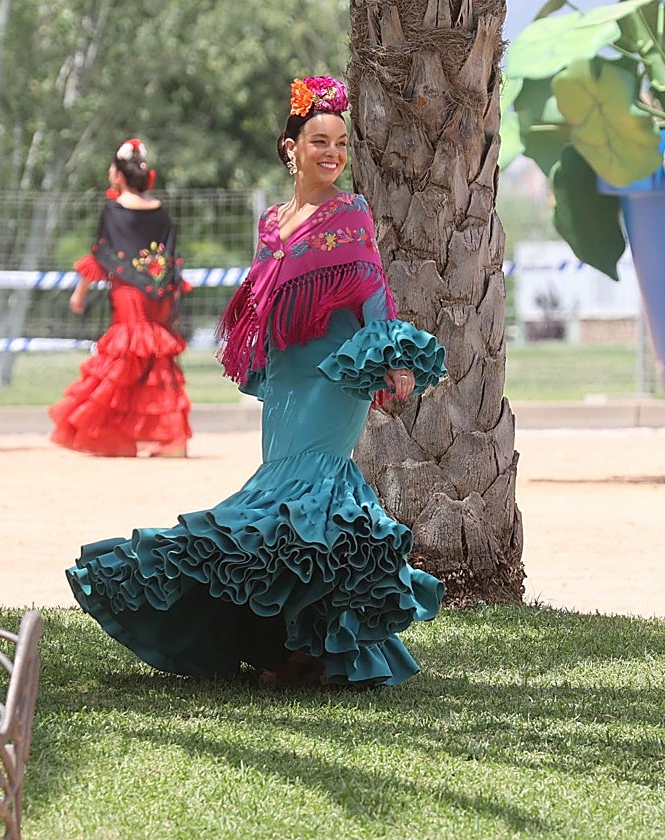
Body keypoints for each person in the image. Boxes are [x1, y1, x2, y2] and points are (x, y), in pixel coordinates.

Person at [66, 75, 447, 688]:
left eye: (341, 144)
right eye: (320, 142)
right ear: (291, 148)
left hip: (336, 371)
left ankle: (315, 646)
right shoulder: (273, 222)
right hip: (288, 375)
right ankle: (288, 644)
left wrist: (393, 356)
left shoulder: (351, 212)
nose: (333, 153)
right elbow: (263, 298)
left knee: (316, 491)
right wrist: (261, 354)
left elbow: (373, 287)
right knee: (281, 499)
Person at [49, 138, 192, 458]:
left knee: (122, 359)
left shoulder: (113, 210)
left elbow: (102, 255)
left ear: (118, 176)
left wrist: (80, 293)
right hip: (158, 293)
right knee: (156, 361)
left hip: (128, 293)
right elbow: (169, 258)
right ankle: (172, 439)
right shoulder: (160, 211)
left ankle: (109, 433)